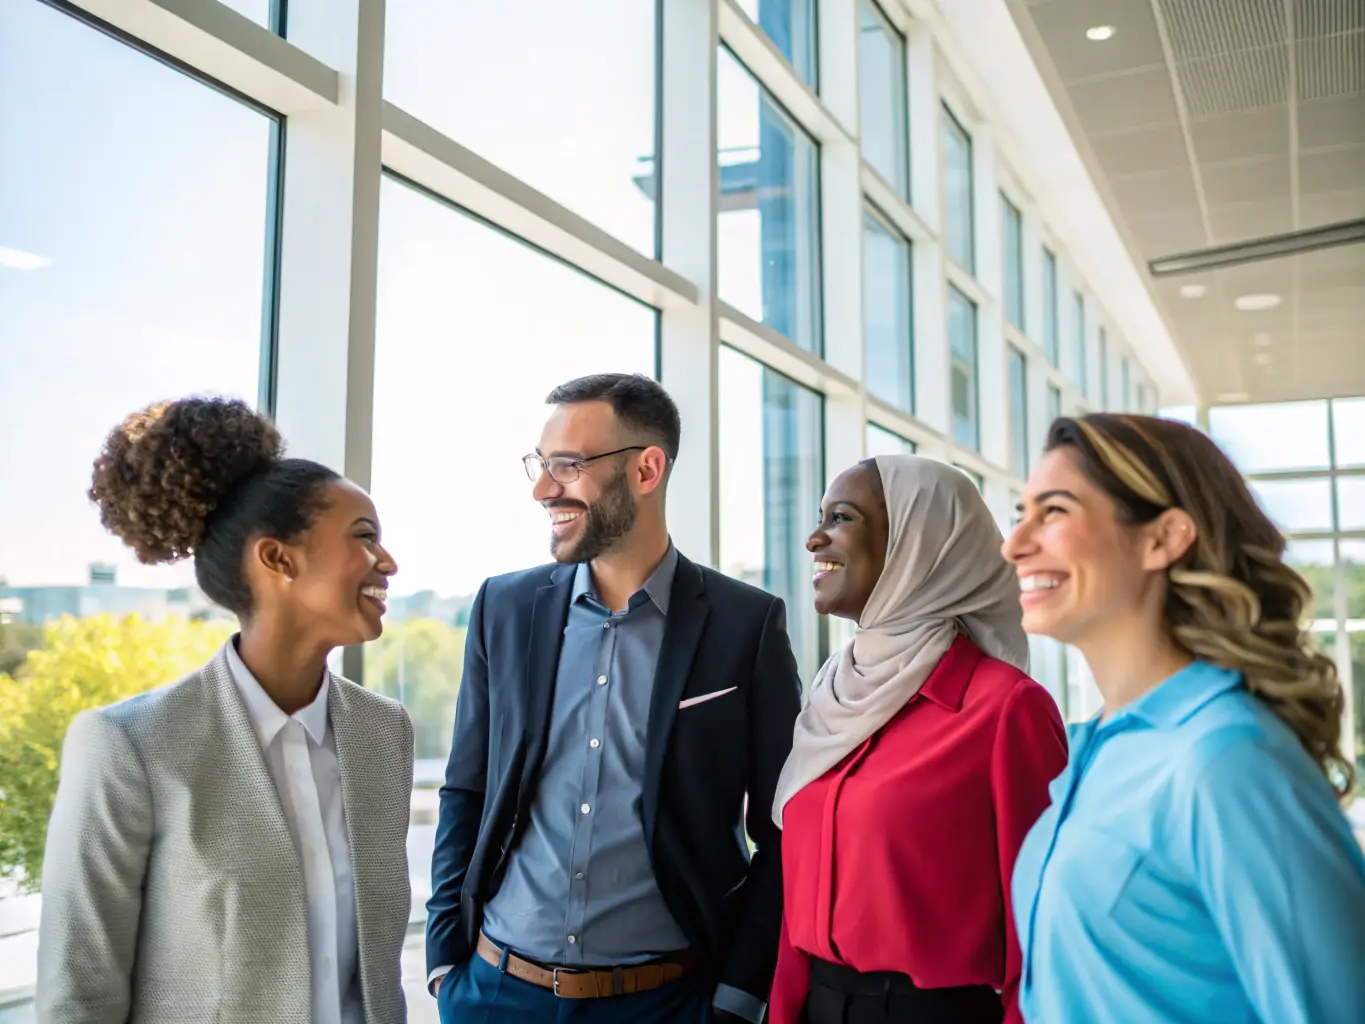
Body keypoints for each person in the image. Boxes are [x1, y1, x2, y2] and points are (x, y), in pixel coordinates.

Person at [425, 373, 803, 1023]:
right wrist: (442, 963)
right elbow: (467, 788)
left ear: (647, 469)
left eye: (567, 466)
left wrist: (737, 998)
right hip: (496, 993)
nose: (544, 489)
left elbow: (781, 831)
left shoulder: (746, 625)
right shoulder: (503, 609)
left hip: (668, 1003)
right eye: (542, 467)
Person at [37, 397, 414, 1024]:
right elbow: (80, 997)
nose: (388, 562)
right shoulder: (129, 746)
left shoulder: (383, 734)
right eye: (364, 537)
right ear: (278, 559)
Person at [1005, 413, 1365, 1024]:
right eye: (1022, 512)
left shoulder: (1228, 757)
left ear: (1163, 538)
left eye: (1055, 511)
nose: (1013, 543)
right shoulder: (1097, 749)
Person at [769, 455, 1067, 1024]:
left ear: (918, 544)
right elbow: (796, 904)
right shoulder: (832, 696)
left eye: (842, 518)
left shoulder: (1007, 710)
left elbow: (1041, 931)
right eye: (821, 516)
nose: (814, 538)